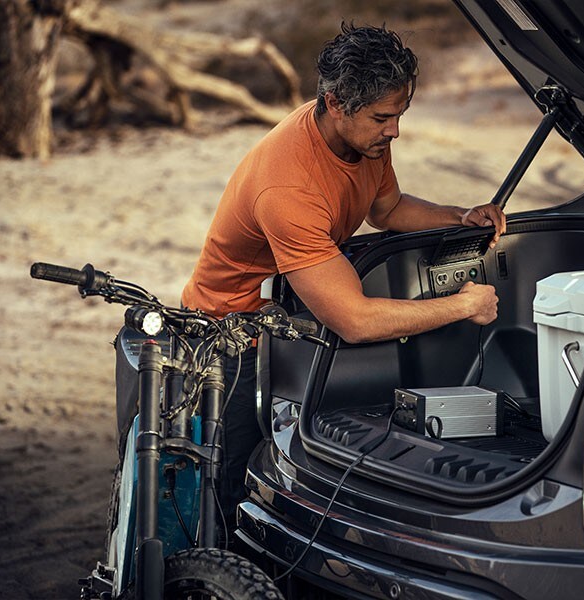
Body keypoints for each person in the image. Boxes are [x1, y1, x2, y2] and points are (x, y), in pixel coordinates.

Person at [181, 22, 504, 532]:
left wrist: (460, 216)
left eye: (398, 115)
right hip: (230, 335)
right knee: (234, 487)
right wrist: (465, 306)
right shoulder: (287, 186)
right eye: (382, 118)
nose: (393, 130)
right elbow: (353, 320)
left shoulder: (366, 141)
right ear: (334, 103)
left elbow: (388, 207)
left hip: (289, 316)